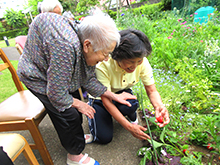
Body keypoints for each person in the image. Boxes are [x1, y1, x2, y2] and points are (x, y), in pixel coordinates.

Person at [17, 12, 136, 165]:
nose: (106, 59)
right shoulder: (65, 47)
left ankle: (76, 137)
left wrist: (114, 96)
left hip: (54, 70)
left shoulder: (84, 40)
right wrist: (79, 104)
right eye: (105, 54)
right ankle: (74, 156)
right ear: (87, 45)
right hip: (36, 75)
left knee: (76, 103)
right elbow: (56, 94)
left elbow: (88, 78)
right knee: (68, 114)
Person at [87, 29, 170, 144]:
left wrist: (159, 106)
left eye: (139, 61)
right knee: (104, 138)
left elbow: (151, 90)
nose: (135, 66)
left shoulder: (142, 62)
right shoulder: (103, 65)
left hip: (122, 92)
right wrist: (129, 127)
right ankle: (95, 115)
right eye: (130, 62)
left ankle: (129, 115)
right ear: (117, 56)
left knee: (131, 104)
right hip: (101, 98)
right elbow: (107, 101)